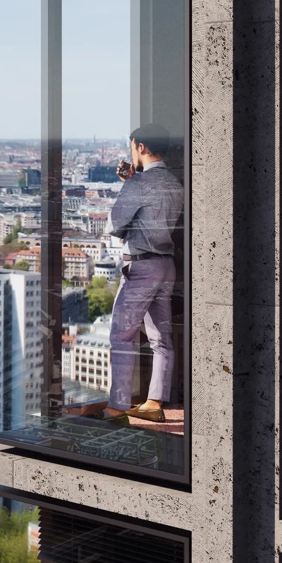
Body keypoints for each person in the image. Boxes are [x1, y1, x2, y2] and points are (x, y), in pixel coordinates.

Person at [98, 125, 183, 423]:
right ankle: (154, 402)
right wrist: (133, 183)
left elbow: (113, 225)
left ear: (142, 147)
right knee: (161, 337)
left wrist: (129, 186)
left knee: (122, 335)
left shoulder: (138, 184)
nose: (130, 152)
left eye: (132, 146)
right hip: (166, 265)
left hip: (142, 266)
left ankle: (118, 405)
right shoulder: (174, 183)